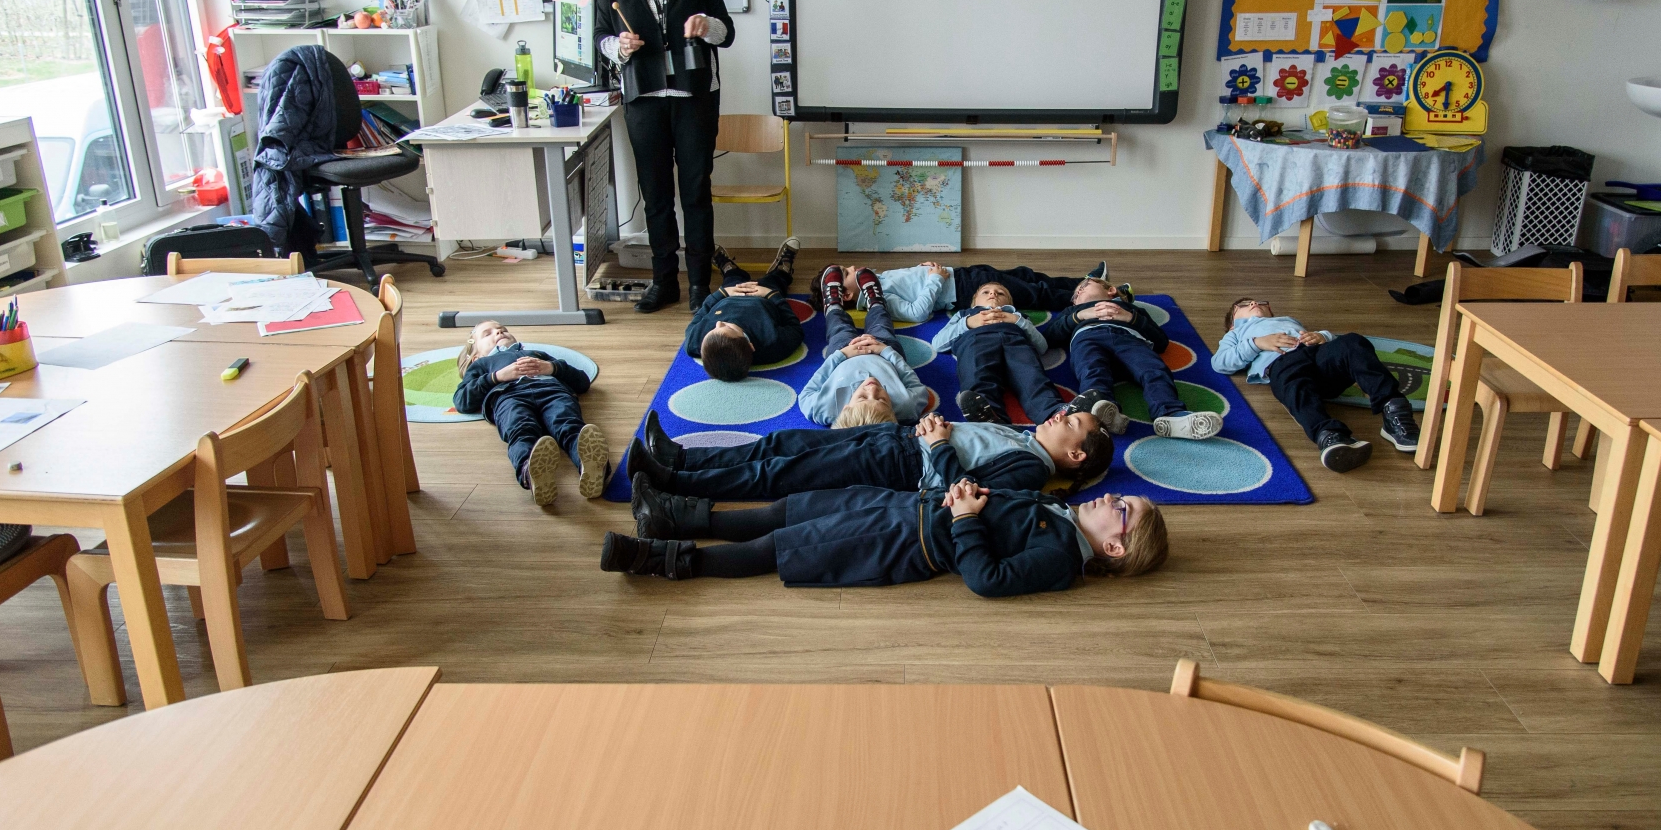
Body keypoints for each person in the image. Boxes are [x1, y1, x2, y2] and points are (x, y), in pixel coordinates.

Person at [601, 479, 1168, 595]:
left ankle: (663, 558)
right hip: (900, 506)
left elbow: (986, 579)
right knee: (788, 510)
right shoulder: (1058, 510)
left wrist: (968, 520)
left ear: (1113, 547)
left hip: (899, 542)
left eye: (1123, 511)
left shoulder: (1057, 558)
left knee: (778, 549)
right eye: (1122, 497)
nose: (1111, 499)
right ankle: (672, 516)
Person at [595, 0, 735, 313]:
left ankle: (698, 284)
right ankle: (663, 280)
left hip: (694, 96)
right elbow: (599, 39)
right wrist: (618, 44)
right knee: (655, 193)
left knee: (695, 190)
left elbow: (727, 33)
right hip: (644, 97)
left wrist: (706, 24)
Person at [625, 403, 1110, 504]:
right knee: (784, 441)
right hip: (895, 439)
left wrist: (938, 442)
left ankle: (674, 483)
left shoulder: (1028, 469)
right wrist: (928, 428)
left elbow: (964, 492)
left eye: (1071, 424)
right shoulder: (1023, 437)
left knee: (781, 472)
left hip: (898, 465)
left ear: (1075, 456)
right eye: (1069, 412)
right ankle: (681, 459)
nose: (1059, 416)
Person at [1213, 298, 1420, 472]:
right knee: (1293, 388)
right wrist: (1257, 343)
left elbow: (1325, 339)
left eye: (1260, 302)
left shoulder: (1287, 321)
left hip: (1318, 357)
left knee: (1352, 342)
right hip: (1282, 363)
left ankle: (1394, 411)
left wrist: (1323, 336)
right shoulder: (1236, 334)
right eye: (1244, 304)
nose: (1254, 303)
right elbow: (1220, 363)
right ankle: (1331, 436)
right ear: (1233, 323)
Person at [453, 321, 610, 504]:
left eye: (503, 329)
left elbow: (582, 382)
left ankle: (593, 467)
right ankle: (531, 473)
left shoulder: (535, 354)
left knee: (568, 425)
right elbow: (462, 400)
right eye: (487, 334)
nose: (498, 331)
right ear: (476, 356)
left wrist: (551, 368)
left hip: (552, 391)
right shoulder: (482, 364)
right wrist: (497, 377)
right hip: (509, 397)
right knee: (521, 430)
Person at [1047, 279, 1223, 441]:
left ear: (1111, 290)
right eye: (1075, 295)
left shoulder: (1130, 309)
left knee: (1153, 370)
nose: (1077, 294)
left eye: (1083, 286)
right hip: (1088, 338)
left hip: (1129, 340)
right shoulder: (1074, 311)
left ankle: (1170, 414)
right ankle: (1102, 410)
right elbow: (1050, 336)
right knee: (1091, 369)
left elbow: (1161, 341)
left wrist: (1131, 318)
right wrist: (1080, 316)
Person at [797, 266, 929, 427]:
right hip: (882, 350)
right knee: (881, 323)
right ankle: (876, 302)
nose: (872, 389)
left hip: (844, 352)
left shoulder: (822, 409)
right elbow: (916, 386)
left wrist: (841, 355)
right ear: (893, 412)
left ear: (845, 409)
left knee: (838, 328)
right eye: (882, 399)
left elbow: (806, 394)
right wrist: (885, 351)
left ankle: (833, 305)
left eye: (862, 397)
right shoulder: (906, 407)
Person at [930, 282, 1064, 426]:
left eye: (1000, 293)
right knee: (978, 374)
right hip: (976, 341)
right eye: (986, 292)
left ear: (1010, 302)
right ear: (974, 301)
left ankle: (1053, 411)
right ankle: (988, 414)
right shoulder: (964, 314)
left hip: (1016, 343)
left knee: (1031, 376)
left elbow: (1042, 347)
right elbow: (938, 343)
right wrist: (967, 323)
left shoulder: (1017, 316)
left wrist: (1018, 321)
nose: (993, 294)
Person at [841, 261, 1109, 325]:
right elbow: (917, 313)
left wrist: (922, 269)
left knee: (1025, 275)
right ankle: (1088, 299)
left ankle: (1087, 281)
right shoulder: (879, 299)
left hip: (961, 275)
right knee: (1030, 292)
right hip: (964, 290)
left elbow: (908, 282)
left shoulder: (875, 280)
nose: (852, 267)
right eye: (845, 273)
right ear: (846, 296)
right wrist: (933, 280)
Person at [684, 239, 802, 382]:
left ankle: (729, 268)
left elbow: (700, 314)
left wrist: (722, 293)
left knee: (733, 278)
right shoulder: (772, 343)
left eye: (712, 330)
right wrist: (772, 295)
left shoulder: (694, 342)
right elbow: (795, 328)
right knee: (775, 280)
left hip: (728, 295)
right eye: (728, 327)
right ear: (750, 346)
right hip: (763, 298)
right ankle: (783, 269)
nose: (719, 323)